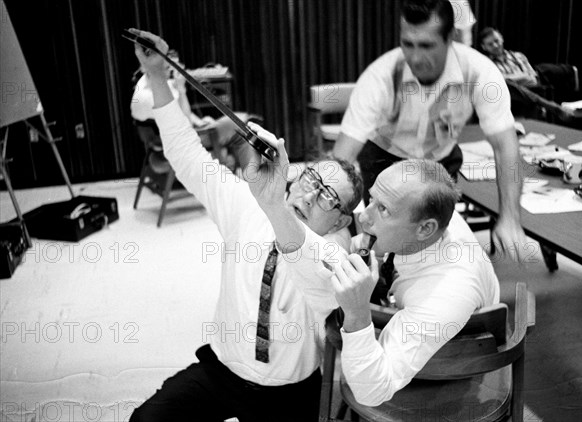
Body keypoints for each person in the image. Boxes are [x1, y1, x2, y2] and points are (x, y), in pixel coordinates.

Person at [126, 29, 363, 422]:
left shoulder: (337, 255)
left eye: (327, 197)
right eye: (311, 181)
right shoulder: (246, 204)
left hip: (290, 392)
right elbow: (187, 155)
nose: (309, 196)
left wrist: (274, 206)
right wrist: (154, 75)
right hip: (222, 372)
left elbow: (304, 254)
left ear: (340, 220)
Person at [333, 0, 527, 263]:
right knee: (376, 242)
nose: (415, 57)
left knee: (431, 242)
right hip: (384, 158)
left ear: (450, 39)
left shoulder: (480, 74)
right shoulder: (381, 76)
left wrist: (510, 218)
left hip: (441, 161)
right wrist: (329, 217)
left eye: (426, 45)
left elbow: (506, 146)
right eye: (407, 44)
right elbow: (342, 157)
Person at [328, 159, 500, 406]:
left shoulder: (445, 293)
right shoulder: (432, 223)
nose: (364, 217)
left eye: (383, 209)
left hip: (448, 368)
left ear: (425, 229)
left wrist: (356, 314)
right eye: (372, 199)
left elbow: (371, 393)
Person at [478, 27, 576, 121]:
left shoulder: (518, 56)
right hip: (509, 100)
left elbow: (533, 79)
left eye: (496, 41)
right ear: (484, 47)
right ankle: (551, 106)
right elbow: (502, 83)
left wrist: (511, 79)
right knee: (504, 84)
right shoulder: (486, 64)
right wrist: (521, 77)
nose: (495, 45)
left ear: (502, 39)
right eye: (490, 44)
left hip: (532, 93)